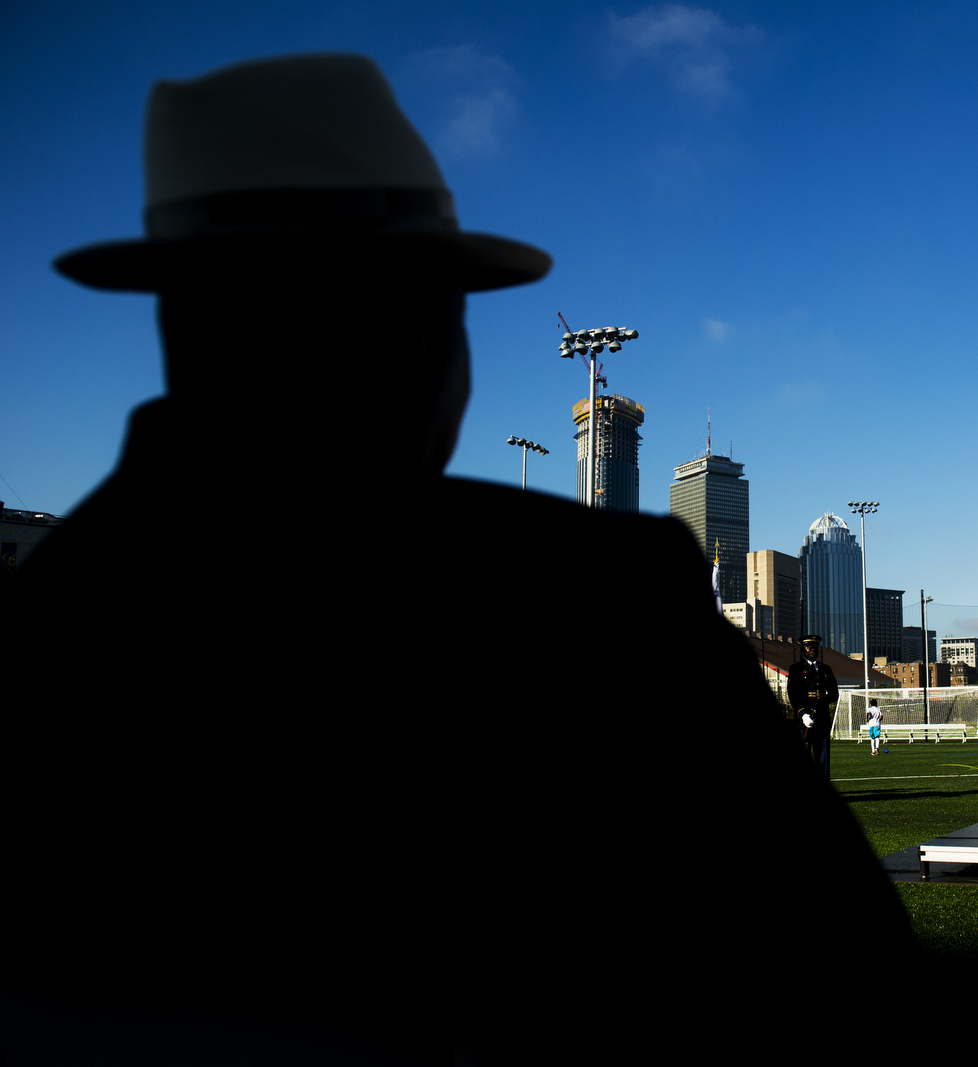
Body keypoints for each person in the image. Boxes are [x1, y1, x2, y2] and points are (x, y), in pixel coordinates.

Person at [2, 53, 913, 1062]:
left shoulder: (42, 619)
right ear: (425, 327)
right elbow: (845, 980)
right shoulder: (591, 597)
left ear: (176, 317)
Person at [787, 635, 840, 774]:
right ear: (803, 648)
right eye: (809, 646)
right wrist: (803, 714)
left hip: (821, 720)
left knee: (823, 760)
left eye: (815, 646)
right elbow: (793, 694)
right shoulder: (796, 669)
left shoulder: (825, 669)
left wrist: (821, 705)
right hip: (803, 722)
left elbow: (834, 694)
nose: (812, 649)